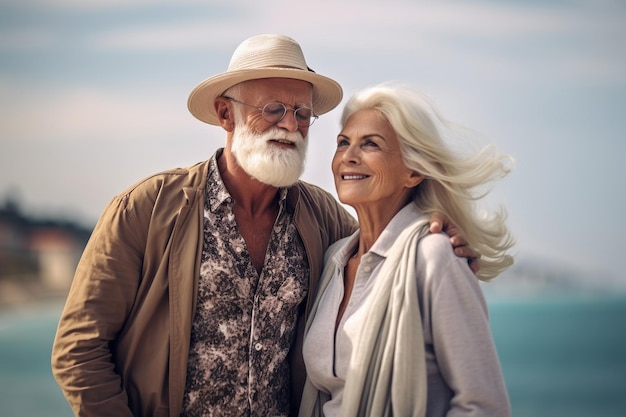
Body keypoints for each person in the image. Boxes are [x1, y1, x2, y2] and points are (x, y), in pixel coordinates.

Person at [51, 35, 477, 417]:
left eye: (303, 114)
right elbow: (78, 350)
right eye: (272, 109)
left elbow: (384, 258)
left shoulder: (324, 219)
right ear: (225, 114)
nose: (290, 125)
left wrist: (434, 233)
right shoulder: (147, 208)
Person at [300, 82, 515, 417]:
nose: (348, 156)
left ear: (414, 171)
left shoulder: (434, 257)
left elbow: (484, 406)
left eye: (370, 144)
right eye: (343, 142)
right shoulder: (333, 260)